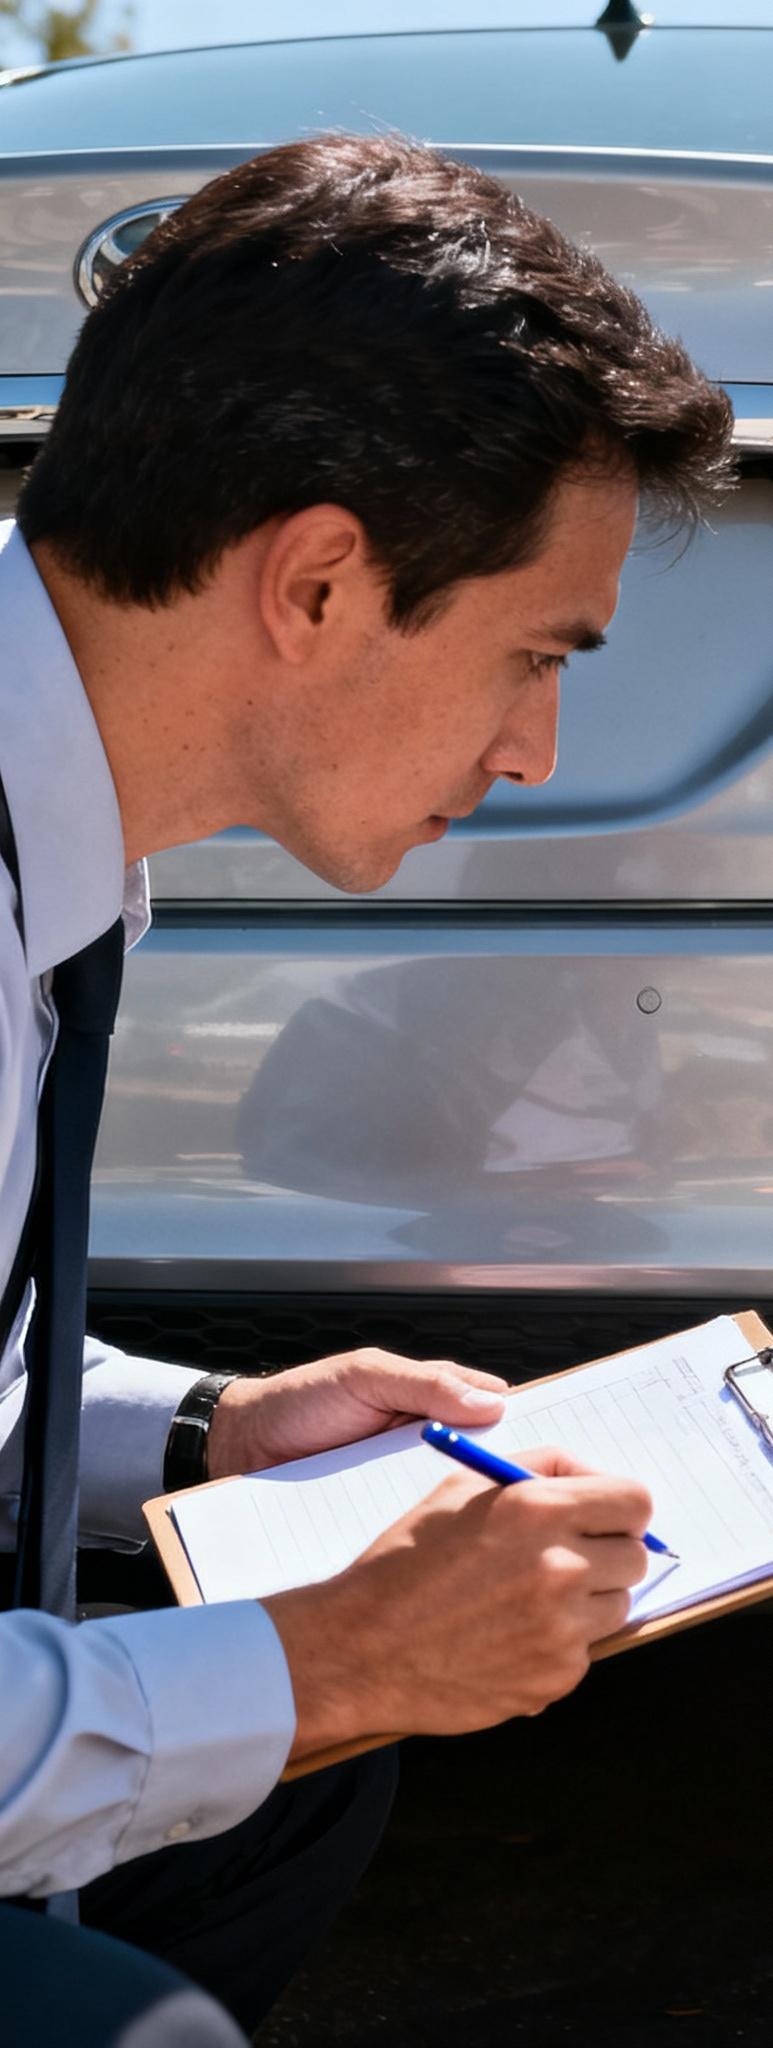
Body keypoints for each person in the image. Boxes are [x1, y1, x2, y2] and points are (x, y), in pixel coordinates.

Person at [0, 135, 732, 2044]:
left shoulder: (56, 844)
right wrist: (327, 1660)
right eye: (535, 653)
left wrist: (211, 1432)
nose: (537, 748)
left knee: (285, 1784)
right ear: (319, 582)